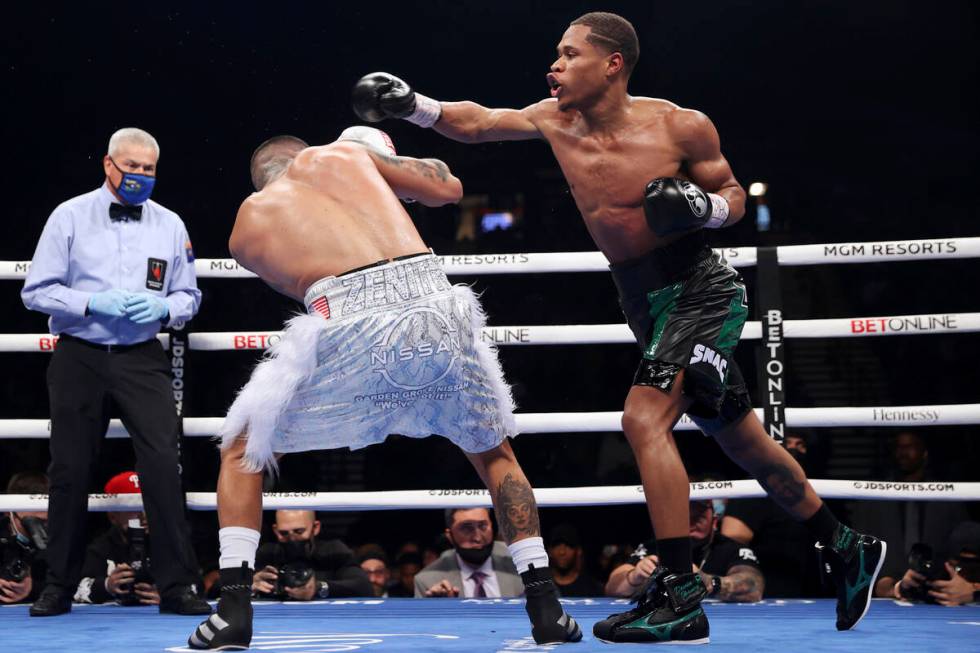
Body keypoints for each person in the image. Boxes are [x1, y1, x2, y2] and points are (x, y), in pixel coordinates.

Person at [353, 10, 885, 643]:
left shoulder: (679, 124)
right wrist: (413, 105)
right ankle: (846, 542)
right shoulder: (556, 120)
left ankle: (682, 596)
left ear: (612, 64)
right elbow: (477, 122)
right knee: (742, 442)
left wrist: (703, 206)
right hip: (641, 300)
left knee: (642, 418)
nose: (554, 65)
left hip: (700, 289)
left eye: (569, 54)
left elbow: (735, 196)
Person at [187, 128, 580, 649]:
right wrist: (383, 167)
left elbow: (301, 285)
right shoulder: (346, 154)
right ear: (305, 155)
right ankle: (546, 606)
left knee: (242, 449)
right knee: (494, 454)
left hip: (347, 319)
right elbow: (450, 189)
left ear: (259, 180)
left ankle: (233, 609)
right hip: (437, 305)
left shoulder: (245, 229)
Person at [20, 127, 208, 618]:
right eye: (133, 167)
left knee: (165, 467)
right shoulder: (69, 215)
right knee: (70, 469)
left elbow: (190, 296)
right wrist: (89, 302)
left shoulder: (169, 224)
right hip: (79, 353)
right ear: (109, 164)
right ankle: (57, 585)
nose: (140, 177)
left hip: (141, 355)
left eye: (149, 169)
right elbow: (35, 291)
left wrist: (164, 309)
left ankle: (177, 586)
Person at [849, 431, 969, 598]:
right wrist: (880, 584)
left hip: (939, 592)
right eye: (898, 447)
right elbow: (857, 547)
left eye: (910, 446)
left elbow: (961, 547)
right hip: (886, 594)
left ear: (924, 452)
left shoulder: (949, 497)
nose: (903, 452)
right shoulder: (871, 498)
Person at [722, 433, 824, 597]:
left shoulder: (814, 490)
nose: (793, 449)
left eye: (800, 444)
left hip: (805, 590)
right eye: (788, 443)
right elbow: (732, 537)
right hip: (765, 591)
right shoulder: (753, 488)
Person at [606, 500, 763, 603]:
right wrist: (635, 576)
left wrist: (707, 582)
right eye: (686, 514)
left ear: (714, 520)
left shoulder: (731, 548)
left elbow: (753, 587)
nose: (691, 520)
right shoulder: (653, 547)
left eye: (699, 515)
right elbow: (612, 587)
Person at [74, 471, 163, 606]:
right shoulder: (101, 547)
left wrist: (169, 596)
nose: (143, 514)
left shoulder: (169, 544)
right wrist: (107, 585)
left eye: (147, 506)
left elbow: (195, 585)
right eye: (134, 507)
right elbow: (76, 588)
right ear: (113, 516)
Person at [251, 510, 371, 600]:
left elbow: (363, 586)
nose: (292, 538)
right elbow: (236, 586)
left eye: (299, 531)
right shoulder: (267, 553)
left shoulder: (333, 551)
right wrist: (250, 585)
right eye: (284, 533)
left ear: (315, 527)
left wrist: (319, 588)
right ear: (276, 530)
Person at [414, 508, 523, 598]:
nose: (477, 538)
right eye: (466, 528)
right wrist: (443, 610)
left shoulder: (521, 561)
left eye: (483, 526)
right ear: (450, 536)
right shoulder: (427, 580)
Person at [0, 472, 50, 604]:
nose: (39, 530)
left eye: (46, 522)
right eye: (32, 522)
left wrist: (32, 589)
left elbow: (73, 584)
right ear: (8, 512)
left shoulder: (59, 538)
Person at [547, 524, 603, 597]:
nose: (562, 552)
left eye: (568, 545)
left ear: (579, 551)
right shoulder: (538, 587)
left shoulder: (593, 589)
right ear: (549, 551)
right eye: (556, 545)